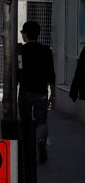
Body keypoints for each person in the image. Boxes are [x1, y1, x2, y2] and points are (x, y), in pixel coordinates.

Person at [17, 20, 56, 164]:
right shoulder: (46, 51)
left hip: (25, 90)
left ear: (26, 35)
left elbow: (17, 72)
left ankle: (27, 149)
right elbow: (51, 73)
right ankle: (41, 141)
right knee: (41, 120)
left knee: (25, 121)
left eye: (22, 33)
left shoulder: (21, 51)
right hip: (41, 91)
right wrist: (53, 94)